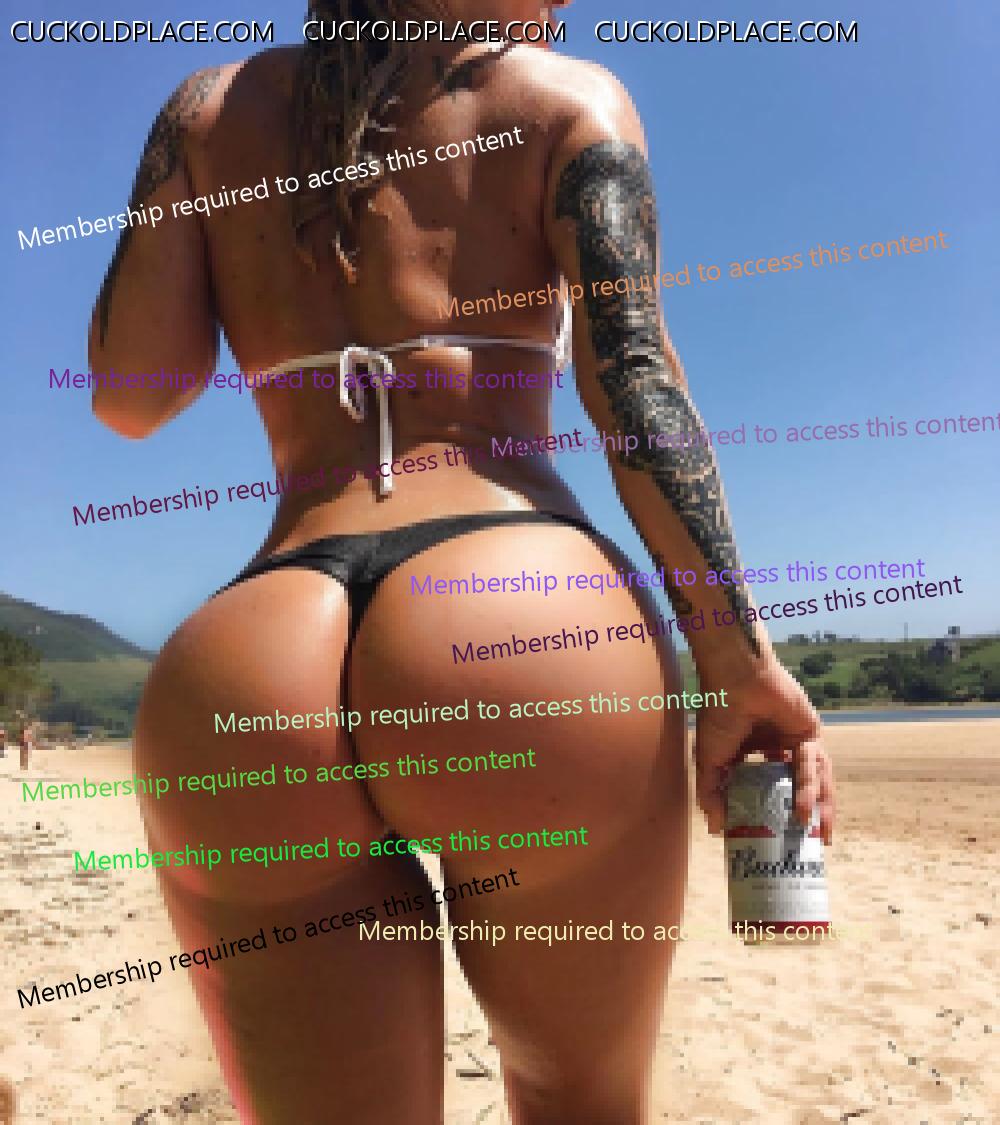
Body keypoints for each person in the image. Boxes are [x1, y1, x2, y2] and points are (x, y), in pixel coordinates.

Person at [89, 1, 835, 1121]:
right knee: (580, 1099)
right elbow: (635, 382)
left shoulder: (206, 112)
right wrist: (739, 661)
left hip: (257, 649)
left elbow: (129, 396)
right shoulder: (562, 95)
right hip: (518, 609)